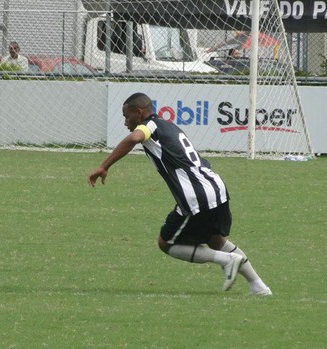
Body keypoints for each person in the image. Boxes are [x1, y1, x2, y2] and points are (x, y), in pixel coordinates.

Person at [87, 92, 272, 296]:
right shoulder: (169, 125)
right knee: (215, 241)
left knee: (166, 243)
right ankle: (259, 286)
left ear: (139, 113)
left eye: (126, 116)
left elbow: (134, 138)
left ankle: (226, 260)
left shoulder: (149, 126)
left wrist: (104, 166)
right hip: (217, 188)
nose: (125, 122)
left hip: (196, 197)